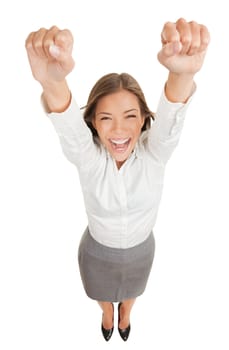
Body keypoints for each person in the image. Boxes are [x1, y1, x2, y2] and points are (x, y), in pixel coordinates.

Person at [25, 18, 210, 341]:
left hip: (141, 250)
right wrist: (52, 83)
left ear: (143, 120)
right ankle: (106, 312)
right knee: (99, 289)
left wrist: (182, 73)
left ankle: (125, 312)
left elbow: (169, 125)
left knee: (133, 289)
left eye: (130, 117)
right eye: (106, 119)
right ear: (94, 124)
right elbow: (69, 129)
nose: (119, 131)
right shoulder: (89, 158)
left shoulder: (155, 154)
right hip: (98, 250)